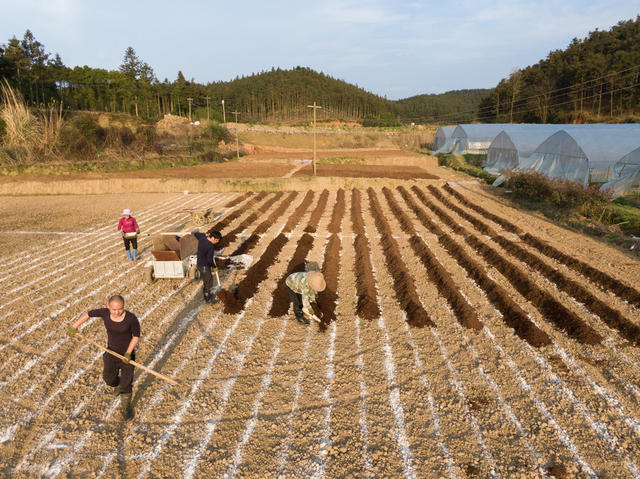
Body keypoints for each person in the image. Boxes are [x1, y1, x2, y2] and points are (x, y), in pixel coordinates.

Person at [67, 294, 140, 420]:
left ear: (124, 306)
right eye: (114, 309)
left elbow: (136, 336)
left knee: (127, 384)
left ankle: (126, 409)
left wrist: (128, 353)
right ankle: (118, 385)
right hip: (111, 353)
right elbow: (88, 314)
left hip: (127, 356)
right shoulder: (105, 313)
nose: (117, 312)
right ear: (108, 307)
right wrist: (74, 326)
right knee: (108, 379)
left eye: (120, 309)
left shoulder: (131, 319)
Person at [193, 229, 222, 303]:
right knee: (208, 282)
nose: (217, 242)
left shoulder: (202, 238)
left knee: (207, 280)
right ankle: (207, 298)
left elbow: (196, 234)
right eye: (217, 240)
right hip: (204, 266)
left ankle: (207, 294)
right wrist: (214, 266)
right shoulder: (210, 246)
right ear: (213, 238)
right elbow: (209, 259)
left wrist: (196, 233)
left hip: (199, 264)